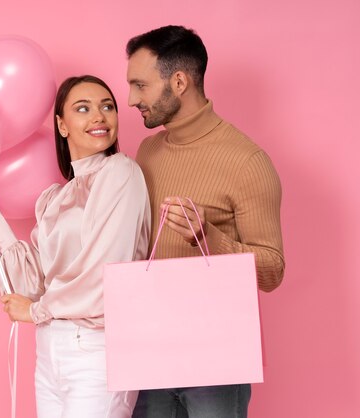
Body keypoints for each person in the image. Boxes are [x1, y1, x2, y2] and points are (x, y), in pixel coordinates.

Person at [0, 75, 151, 418]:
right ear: (62, 125)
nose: (99, 116)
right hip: (50, 351)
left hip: (96, 349)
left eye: (108, 107)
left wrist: (35, 311)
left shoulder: (120, 173)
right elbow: (33, 281)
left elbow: (105, 272)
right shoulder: (56, 198)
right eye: (84, 108)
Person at [125, 25, 285, 418]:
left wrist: (206, 236)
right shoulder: (147, 151)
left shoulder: (247, 161)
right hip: (151, 350)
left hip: (217, 360)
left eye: (140, 85)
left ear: (178, 82)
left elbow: (272, 271)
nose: (131, 99)